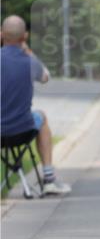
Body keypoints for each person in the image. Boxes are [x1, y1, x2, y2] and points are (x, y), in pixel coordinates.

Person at [0, 15, 71, 195]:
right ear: (25, 36)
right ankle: (48, 178)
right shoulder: (30, 62)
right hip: (23, 129)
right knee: (42, 116)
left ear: (1, 35)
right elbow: (46, 77)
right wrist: (28, 51)